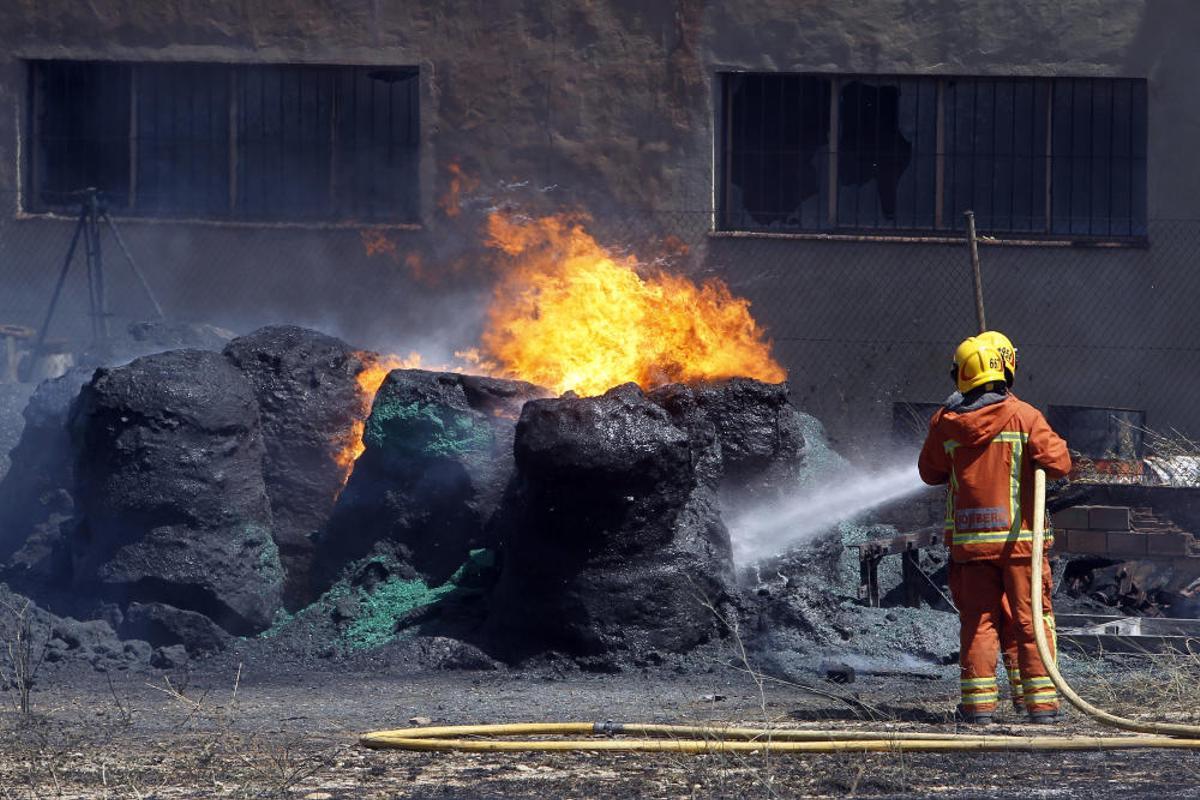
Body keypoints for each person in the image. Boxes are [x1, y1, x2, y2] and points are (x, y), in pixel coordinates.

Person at [919, 334, 1071, 725]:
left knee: (979, 623)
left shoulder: (944, 423)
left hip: (971, 547)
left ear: (960, 375)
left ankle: (978, 709)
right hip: (1021, 544)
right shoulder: (1025, 417)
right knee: (1031, 620)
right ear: (1003, 369)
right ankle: (1041, 707)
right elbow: (1060, 463)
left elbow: (929, 472)